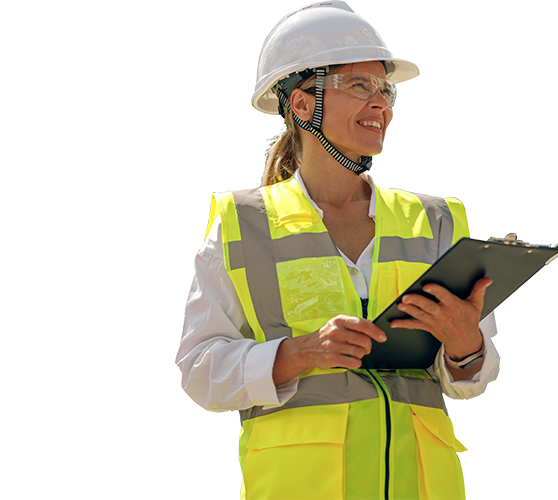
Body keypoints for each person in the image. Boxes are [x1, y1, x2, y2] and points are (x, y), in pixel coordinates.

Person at [176, 2, 500, 499]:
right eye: (359, 86)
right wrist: (297, 353)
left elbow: (471, 380)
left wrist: (467, 347)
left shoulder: (435, 222)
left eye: (385, 90)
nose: (381, 104)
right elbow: (199, 371)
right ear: (302, 104)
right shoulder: (244, 225)